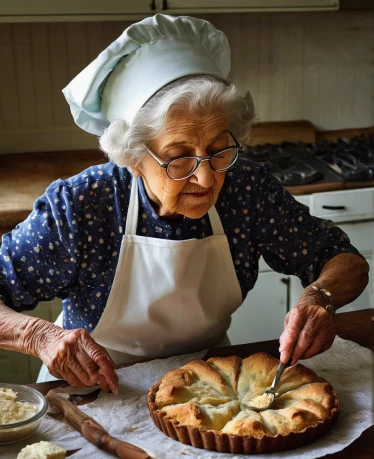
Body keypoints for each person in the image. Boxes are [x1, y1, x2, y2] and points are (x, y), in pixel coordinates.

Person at [0, 14, 369, 393]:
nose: (206, 178)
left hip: (207, 384)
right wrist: (37, 335)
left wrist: (319, 297)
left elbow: (343, 259)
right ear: (132, 159)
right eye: (179, 158)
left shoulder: (247, 191)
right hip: (91, 388)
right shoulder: (82, 206)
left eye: (218, 150)